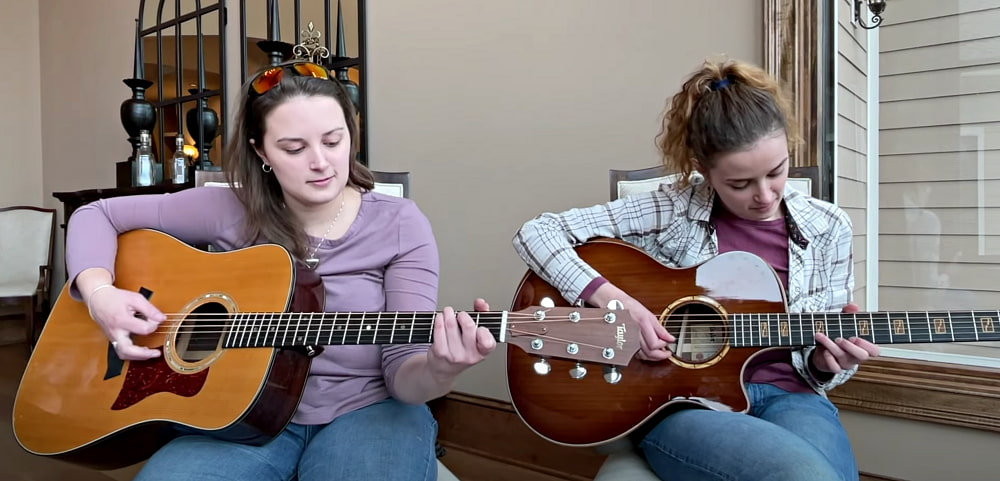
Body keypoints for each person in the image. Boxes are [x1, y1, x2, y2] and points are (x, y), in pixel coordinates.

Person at [67, 57, 496, 481]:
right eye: (294, 148)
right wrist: (100, 293)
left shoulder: (401, 224)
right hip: (236, 413)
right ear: (260, 151)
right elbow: (96, 214)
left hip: (369, 411)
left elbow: (406, 378)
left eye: (334, 141)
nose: (322, 163)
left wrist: (442, 368)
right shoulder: (226, 207)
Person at [511, 58, 880, 481]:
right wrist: (615, 301)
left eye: (777, 172)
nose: (764, 195)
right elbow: (537, 233)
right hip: (685, 399)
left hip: (791, 394)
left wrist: (825, 362)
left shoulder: (830, 227)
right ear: (704, 171)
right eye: (740, 184)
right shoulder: (673, 207)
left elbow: (821, 369)